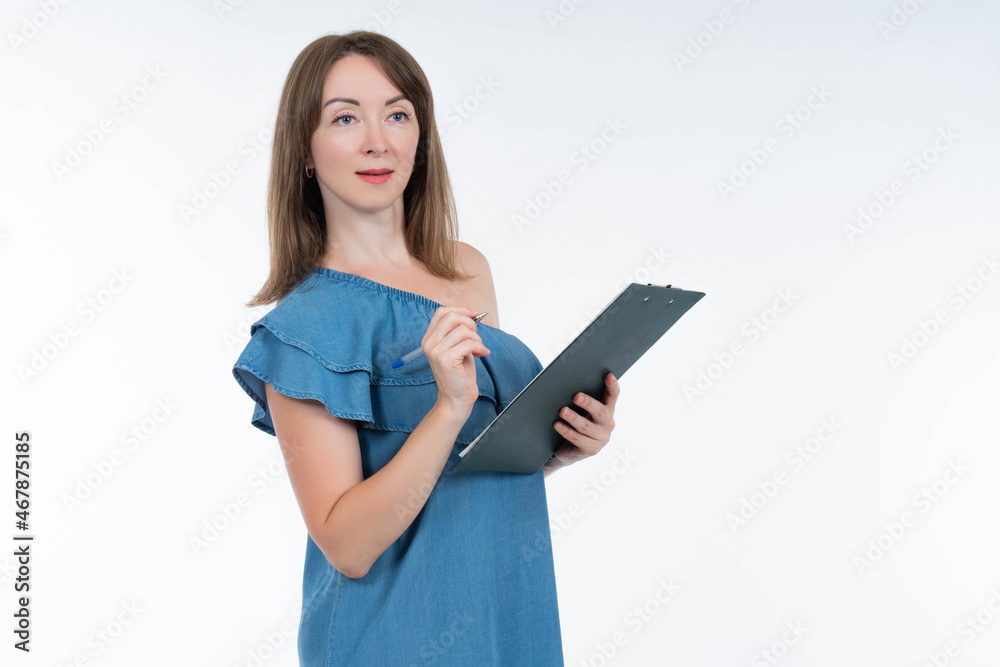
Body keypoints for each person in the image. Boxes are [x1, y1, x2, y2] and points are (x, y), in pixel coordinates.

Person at [231, 30, 620, 665]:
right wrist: (446, 408)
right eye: (346, 118)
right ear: (304, 149)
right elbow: (347, 547)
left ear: (420, 135)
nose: (377, 140)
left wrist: (559, 449)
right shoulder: (302, 330)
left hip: (504, 614)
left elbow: (466, 474)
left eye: (397, 114)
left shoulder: (468, 271)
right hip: (391, 638)